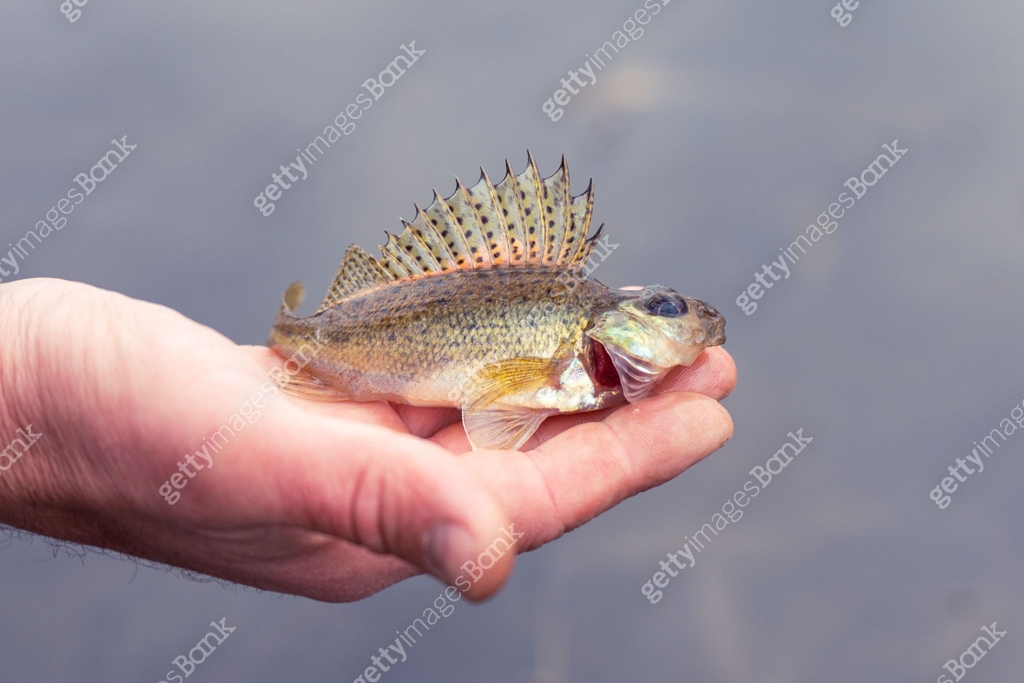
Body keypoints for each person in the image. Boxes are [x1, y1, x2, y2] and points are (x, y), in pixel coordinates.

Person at [0, 278, 736, 602]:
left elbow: (492, 412)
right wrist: (27, 390)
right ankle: (296, 330)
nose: (686, 322)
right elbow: (495, 412)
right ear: (613, 320)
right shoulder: (571, 336)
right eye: (665, 308)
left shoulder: (588, 348)